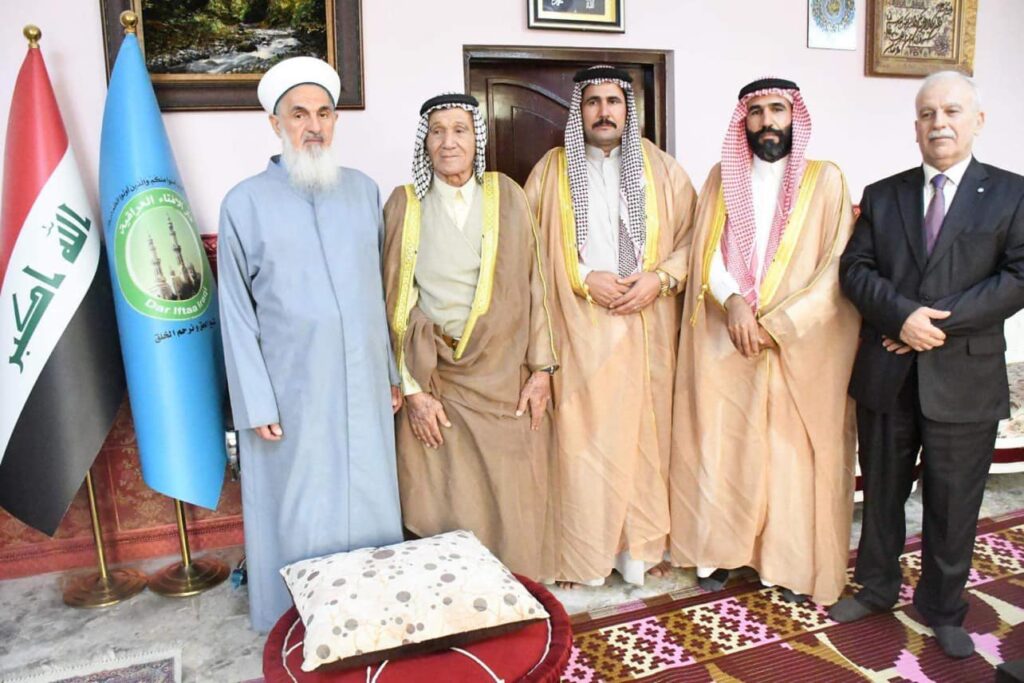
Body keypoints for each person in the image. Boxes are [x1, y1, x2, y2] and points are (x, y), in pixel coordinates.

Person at [833, 70, 1024, 658]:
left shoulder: (1013, 193)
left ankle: (942, 608)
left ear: (978, 121)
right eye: (927, 114)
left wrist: (927, 326)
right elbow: (855, 270)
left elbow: (1017, 277)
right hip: (887, 376)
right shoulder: (883, 194)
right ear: (915, 126)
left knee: (953, 502)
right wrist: (901, 318)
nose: (939, 123)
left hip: (965, 377)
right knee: (882, 492)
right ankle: (876, 588)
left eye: (951, 111)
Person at [218, 57, 403, 632]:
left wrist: (391, 373)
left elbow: (379, 292)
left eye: (324, 113)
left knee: (369, 497)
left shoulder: (364, 192)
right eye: (299, 114)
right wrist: (255, 402)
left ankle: (371, 611)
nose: (314, 126)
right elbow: (235, 313)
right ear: (275, 123)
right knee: (300, 507)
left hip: (364, 379)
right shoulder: (243, 202)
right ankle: (295, 622)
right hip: (289, 389)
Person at [669, 77, 859, 605]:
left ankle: (785, 564)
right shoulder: (720, 177)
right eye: (756, 112)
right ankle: (720, 553)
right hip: (726, 339)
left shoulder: (825, 181)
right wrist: (732, 301)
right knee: (722, 447)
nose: (767, 121)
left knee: (789, 457)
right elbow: (705, 251)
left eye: (778, 109)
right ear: (743, 121)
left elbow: (836, 266)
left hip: (801, 345)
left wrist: (780, 325)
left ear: (794, 117)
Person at [524, 65, 696, 587]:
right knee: (583, 446)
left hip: (648, 329)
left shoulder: (663, 170)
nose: (604, 112)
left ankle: (642, 550)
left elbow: (695, 240)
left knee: (646, 442)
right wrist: (582, 278)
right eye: (593, 102)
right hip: (579, 331)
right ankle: (582, 556)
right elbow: (528, 251)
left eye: (613, 102)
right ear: (579, 110)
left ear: (628, 109)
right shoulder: (550, 172)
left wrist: (660, 279)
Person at [382, 93, 559, 579]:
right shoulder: (405, 204)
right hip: (437, 380)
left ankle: (513, 587)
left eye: (459, 130)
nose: (448, 142)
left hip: (504, 376)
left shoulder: (508, 196)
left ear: (476, 139)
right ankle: (454, 589)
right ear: (425, 144)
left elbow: (536, 285)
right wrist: (413, 391)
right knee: (442, 494)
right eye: (437, 132)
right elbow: (395, 299)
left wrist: (542, 370)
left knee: (510, 493)